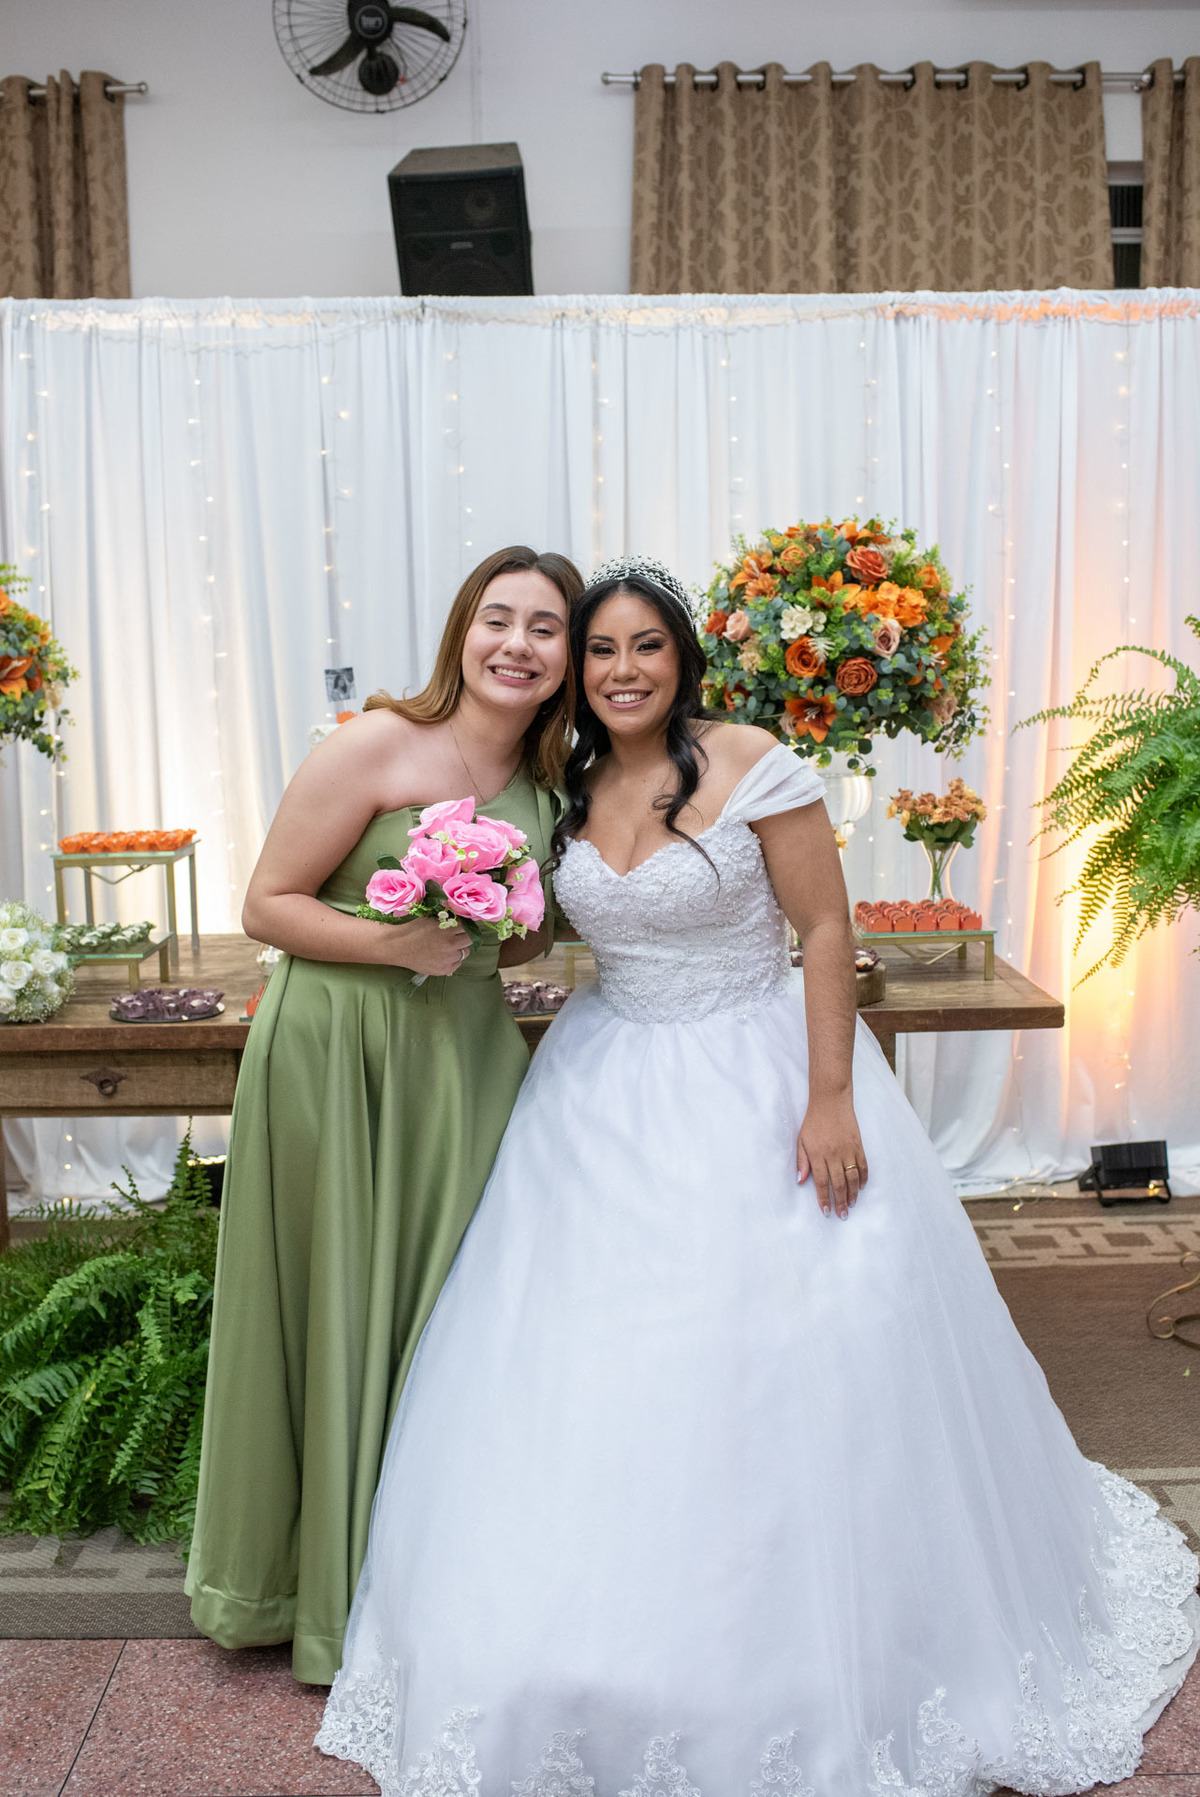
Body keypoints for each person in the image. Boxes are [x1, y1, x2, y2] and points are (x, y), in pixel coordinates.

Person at [317, 556, 1199, 1794]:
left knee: (792, 1344)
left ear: (683, 662)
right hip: (601, 1084)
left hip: (756, 1070)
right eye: (601, 651)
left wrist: (830, 1093)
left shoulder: (750, 762)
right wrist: (461, 909)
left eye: (646, 649)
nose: (621, 671)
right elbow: (538, 926)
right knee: (577, 1357)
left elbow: (825, 929)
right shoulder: (561, 782)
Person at [186, 545, 583, 1684]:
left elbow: (529, 934)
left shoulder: (554, 784)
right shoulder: (372, 743)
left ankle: (427, 1576)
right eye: (498, 618)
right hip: (337, 1048)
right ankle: (302, 1591)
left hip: (461, 1057)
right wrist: (396, 937)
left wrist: (507, 918)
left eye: (545, 628)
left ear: (566, 658)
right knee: (336, 1296)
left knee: (455, 1306)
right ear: (464, 629)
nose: (518, 644)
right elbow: (267, 901)